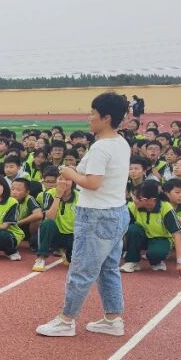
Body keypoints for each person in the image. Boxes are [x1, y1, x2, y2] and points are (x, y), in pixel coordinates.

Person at [37, 92, 131, 338]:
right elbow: (89, 174)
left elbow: (93, 183)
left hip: (97, 216)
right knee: (108, 268)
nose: (89, 118)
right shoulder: (120, 142)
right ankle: (112, 319)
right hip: (117, 212)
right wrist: (73, 173)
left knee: (81, 270)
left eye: (93, 114)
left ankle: (66, 321)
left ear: (106, 117)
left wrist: (70, 174)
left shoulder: (101, 147)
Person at [120, 181, 181, 276]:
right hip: (142, 237)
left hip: (161, 239)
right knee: (132, 229)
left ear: (151, 199)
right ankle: (132, 261)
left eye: (138, 198)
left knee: (156, 253)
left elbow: (177, 233)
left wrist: (180, 261)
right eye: (134, 197)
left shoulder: (166, 207)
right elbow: (120, 227)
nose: (134, 200)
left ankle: (157, 261)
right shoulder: (132, 206)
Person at [34, 169, 79, 271]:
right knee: (48, 223)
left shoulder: (79, 196)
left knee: (73, 263)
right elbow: (49, 217)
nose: (63, 182)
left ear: (73, 182)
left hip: (73, 235)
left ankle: (66, 252)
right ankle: (41, 258)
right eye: (60, 179)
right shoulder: (49, 193)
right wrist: (58, 196)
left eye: (67, 180)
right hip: (55, 234)